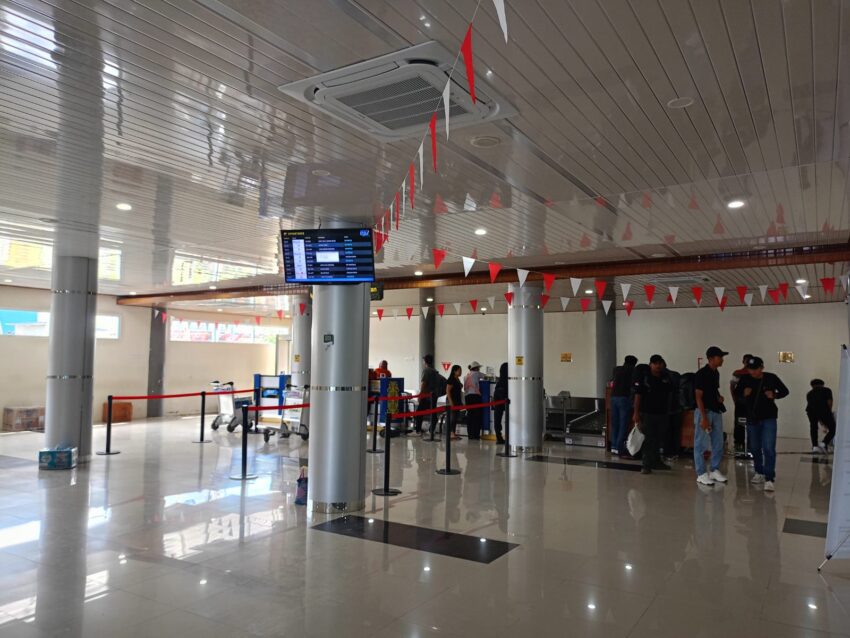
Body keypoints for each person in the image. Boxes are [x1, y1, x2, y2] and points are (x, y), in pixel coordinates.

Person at [736, 356, 789, 491]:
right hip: (752, 418)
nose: (753, 372)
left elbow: (785, 391)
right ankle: (759, 472)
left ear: (762, 367)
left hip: (769, 417)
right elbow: (737, 395)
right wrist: (744, 394)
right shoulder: (745, 379)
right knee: (754, 447)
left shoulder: (771, 378)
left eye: (755, 369)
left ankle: (769, 478)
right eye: (750, 369)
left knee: (768, 448)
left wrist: (774, 395)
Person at [693, 346, 729, 486]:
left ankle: (714, 470)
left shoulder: (716, 373)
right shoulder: (701, 374)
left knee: (718, 442)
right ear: (711, 359)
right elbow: (698, 396)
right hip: (705, 412)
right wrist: (704, 418)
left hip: (715, 411)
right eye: (720, 357)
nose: (722, 360)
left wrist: (718, 397)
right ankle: (701, 473)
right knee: (700, 444)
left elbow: (713, 390)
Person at [632, 354, 674, 474]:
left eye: (660, 363)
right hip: (647, 413)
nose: (658, 366)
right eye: (655, 363)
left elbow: (670, 394)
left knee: (659, 439)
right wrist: (636, 413)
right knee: (648, 439)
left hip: (662, 413)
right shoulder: (645, 379)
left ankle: (656, 461)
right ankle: (646, 465)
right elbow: (638, 396)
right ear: (650, 364)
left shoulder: (665, 378)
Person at [610, 355, 638, 455]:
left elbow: (612, 382)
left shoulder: (616, 369)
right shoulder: (633, 371)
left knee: (615, 423)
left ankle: (613, 446)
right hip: (624, 398)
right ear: (634, 364)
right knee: (623, 424)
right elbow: (634, 386)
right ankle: (619, 447)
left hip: (613, 397)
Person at [730, 354, 754, 455]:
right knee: (739, 424)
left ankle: (751, 446)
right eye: (746, 360)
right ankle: (739, 445)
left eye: (750, 361)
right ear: (743, 361)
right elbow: (732, 387)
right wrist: (735, 400)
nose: (748, 363)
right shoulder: (737, 373)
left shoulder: (755, 373)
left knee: (752, 424)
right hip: (740, 403)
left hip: (752, 404)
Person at [806, 378, 835, 454]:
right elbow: (829, 401)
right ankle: (824, 443)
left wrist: (821, 421)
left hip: (810, 412)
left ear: (812, 386)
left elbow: (811, 405)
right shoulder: (827, 390)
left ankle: (815, 446)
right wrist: (829, 413)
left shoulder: (809, 393)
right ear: (822, 384)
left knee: (813, 428)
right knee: (833, 428)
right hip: (824, 410)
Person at [415, 354, 440, 439]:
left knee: (419, 413)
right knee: (433, 413)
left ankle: (418, 430)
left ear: (425, 361)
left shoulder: (426, 370)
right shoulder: (435, 371)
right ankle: (431, 430)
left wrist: (420, 395)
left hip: (426, 396)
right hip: (434, 395)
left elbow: (424, 384)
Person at [463, 361, 485, 440]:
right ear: (476, 368)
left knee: (470, 416)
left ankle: (470, 435)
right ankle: (476, 435)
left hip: (467, 397)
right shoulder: (477, 373)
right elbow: (486, 376)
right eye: (478, 368)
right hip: (475, 396)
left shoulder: (466, 376)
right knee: (477, 416)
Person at [446, 364, 464, 440]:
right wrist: (451, 402)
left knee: (455, 417)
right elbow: (448, 391)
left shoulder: (457, 379)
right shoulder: (451, 379)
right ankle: (451, 433)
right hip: (452, 401)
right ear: (454, 371)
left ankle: (453, 432)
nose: (461, 372)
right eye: (459, 371)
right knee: (452, 417)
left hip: (457, 401)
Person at [492, 362, 508, 445]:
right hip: (503, 398)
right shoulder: (507, 381)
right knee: (506, 419)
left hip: (498, 399)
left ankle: (499, 437)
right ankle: (502, 437)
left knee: (497, 418)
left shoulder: (500, 380)